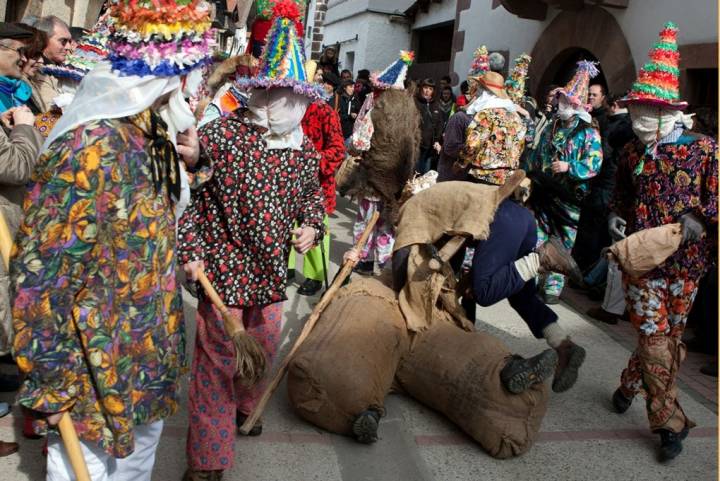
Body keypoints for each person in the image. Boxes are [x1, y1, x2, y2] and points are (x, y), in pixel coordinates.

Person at [10, 1, 210, 477]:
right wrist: (50, 384)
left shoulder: (154, 139)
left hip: (145, 365)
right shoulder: (88, 148)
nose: (187, 90)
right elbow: (41, 279)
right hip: (91, 376)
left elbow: (158, 228)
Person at [180, 5, 326, 478]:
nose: (296, 108)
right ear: (264, 94)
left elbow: (311, 199)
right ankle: (208, 462)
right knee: (213, 368)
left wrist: (312, 225)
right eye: (287, 97)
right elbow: (186, 198)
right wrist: (189, 252)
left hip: (270, 276)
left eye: (299, 100)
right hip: (221, 273)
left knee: (258, 354)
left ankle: (247, 405)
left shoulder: (302, 148)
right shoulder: (219, 135)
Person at [608, 22, 717, 462]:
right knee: (654, 334)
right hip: (643, 262)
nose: (640, 121)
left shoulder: (705, 150)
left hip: (688, 263)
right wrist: (616, 216)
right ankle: (669, 422)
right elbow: (620, 196)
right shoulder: (631, 151)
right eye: (636, 111)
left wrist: (699, 219)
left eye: (649, 112)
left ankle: (631, 383)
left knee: (666, 335)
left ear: (671, 111)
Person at [523, 61, 603, 304]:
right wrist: (529, 175)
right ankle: (533, 277)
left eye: (569, 102)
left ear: (578, 106)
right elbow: (538, 154)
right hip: (544, 192)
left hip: (569, 198)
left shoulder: (588, 132)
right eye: (562, 101)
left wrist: (571, 167)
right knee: (537, 236)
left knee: (563, 241)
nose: (563, 106)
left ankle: (553, 287)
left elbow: (595, 163)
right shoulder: (552, 126)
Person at [0, 22, 44, 459]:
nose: (29, 62)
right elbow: (14, 167)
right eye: (21, 53)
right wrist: (26, 128)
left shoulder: (17, 90)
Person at [291, 60, 347, 296]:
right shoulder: (288, 108)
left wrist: (313, 162)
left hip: (317, 184)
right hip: (288, 182)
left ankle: (314, 275)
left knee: (314, 227)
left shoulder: (325, 112)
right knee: (288, 226)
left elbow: (338, 150)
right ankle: (288, 267)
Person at [22, 15, 72, 112]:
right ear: (44, 39)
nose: (68, 47)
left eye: (69, 41)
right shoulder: (36, 69)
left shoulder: (58, 67)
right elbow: (50, 112)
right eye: (63, 41)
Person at [414, 78, 442, 173]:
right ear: (421, 88)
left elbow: (439, 124)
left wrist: (437, 141)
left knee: (425, 174)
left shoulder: (436, 105)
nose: (427, 91)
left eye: (430, 89)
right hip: (415, 145)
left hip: (429, 148)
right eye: (425, 88)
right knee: (414, 174)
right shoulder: (415, 102)